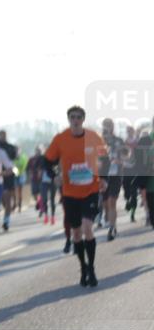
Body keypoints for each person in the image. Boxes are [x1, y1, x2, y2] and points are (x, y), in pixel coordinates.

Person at [44, 106, 107, 287]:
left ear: (83, 119)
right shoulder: (60, 139)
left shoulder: (94, 137)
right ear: (68, 119)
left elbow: (105, 159)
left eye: (79, 117)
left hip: (91, 190)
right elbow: (47, 161)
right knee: (76, 233)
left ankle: (92, 268)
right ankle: (83, 267)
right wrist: (54, 175)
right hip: (70, 193)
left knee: (88, 228)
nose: (76, 120)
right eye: (72, 117)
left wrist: (104, 178)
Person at [99, 118, 125, 241]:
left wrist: (120, 160)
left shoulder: (119, 141)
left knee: (112, 201)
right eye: (105, 125)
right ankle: (108, 217)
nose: (108, 127)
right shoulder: (99, 141)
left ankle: (112, 228)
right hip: (103, 176)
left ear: (113, 127)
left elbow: (127, 155)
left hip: (116, 175)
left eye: (109, 125)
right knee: (105, 204)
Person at [0, 130, 19, 231]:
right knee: (3, 200)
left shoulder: (11, 147)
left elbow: (15, 158)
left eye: (4, 134)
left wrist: (16, 153)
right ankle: (5, 213)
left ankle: (6, 221)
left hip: (9, 175)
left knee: (7, 199)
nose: (2, 136)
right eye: (1, 135)